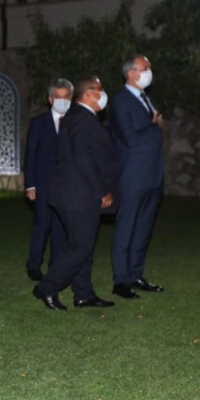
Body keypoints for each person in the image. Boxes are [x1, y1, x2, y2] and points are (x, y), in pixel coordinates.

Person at [33, 76, 118, 311]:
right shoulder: (81, 118)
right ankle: (47, 287)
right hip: (77, 194)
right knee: (80, 247)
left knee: (83, 246)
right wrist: (102, 190)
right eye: (100, 89)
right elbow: (83, 158)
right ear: (88, 93)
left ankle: (83, 294)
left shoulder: (80, 116)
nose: (103, 94)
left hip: (77, 194)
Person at [109, 54, 165, 299]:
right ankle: (121, 280)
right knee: (127, 227)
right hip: (132, 175)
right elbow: (130, 138)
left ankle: (135, 275)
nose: (149, 71)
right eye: (145, 68)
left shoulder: (147, 99)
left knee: (143, 229)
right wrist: (153, 126)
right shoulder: (120, 102)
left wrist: (154, 126)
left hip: (152, 175)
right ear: (131, 73)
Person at [23, 78, 72, 281]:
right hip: (43, 183)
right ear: (50, 99)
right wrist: (30, 185)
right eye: (58, 97)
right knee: (42, 224)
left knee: (61, 226)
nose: (62, 100)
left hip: (66, 184)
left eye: (66, 97)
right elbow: (30, 155)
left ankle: (56, 265)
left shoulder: (75, 122)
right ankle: (34, 265)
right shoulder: (38, 122)